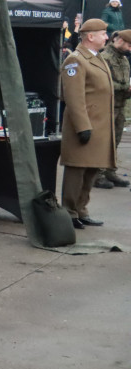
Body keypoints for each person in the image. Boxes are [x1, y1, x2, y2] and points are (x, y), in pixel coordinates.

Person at [59, 18, 115, 229]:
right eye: (103, 34)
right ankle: (69, 211)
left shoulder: (96, 58)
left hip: (98, 128)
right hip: (83, 127)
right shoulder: (75, 60)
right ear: (90, 36)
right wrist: (83, 126)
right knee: (77, 170)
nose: (107, 37)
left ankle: (81, 209)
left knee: (91, 170)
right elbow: (74, 98)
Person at [96, 29, 131, 188]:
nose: (130, 49)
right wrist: (125, 88)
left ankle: (110, 171)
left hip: (120, 106)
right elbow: (103, 83)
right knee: (103, 142)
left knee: (115, 141)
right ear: (121, 41)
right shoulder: (104, 57)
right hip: (106, 107)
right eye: (129, 45)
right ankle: (97, 174)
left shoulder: (123, 59)